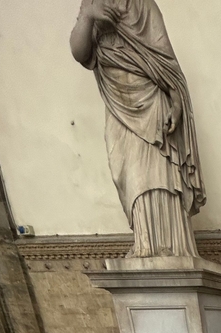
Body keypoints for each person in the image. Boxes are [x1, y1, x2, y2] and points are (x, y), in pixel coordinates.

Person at [70, 0, 206, 259]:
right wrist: (87, 16)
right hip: (118, 107)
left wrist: (176, 101)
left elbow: (166, 61)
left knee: (156, 173)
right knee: (127, 172)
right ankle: (144, 241)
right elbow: (80, 53)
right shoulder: (91, 4)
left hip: (153, 103)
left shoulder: (144, 5)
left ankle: (171, 246)